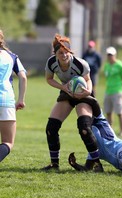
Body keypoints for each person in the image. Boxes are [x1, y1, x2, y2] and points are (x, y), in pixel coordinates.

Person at [42, 34, 103, 171]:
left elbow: (88, 79)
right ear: (55, 53)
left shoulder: (80, 63)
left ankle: (97, 164)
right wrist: (63, 87)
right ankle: (54, 164)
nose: (64, 55)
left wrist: (88, 91)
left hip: (83, 94)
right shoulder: (51, 63)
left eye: (66, 52)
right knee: (51, 128)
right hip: (67, 92)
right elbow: (49, 79)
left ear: (70, 52)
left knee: (84, 128)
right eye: (60, 53)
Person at [0, 29, 27, 163]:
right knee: (7, 142)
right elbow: (23, 77)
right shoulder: (11, 56)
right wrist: (21, 99)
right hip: (6, 100)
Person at [103, 46, 122, 137]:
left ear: (115, 55)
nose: (110, 56)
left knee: (119, 112)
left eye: (111, 55)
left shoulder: (120, 65)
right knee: (108, 112)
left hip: (117, 91)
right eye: (108, 55)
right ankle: (110, 131)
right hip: (108, 91)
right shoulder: (106, 65)